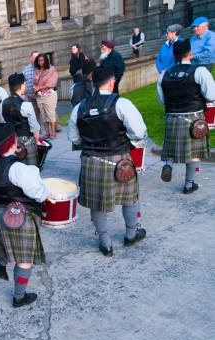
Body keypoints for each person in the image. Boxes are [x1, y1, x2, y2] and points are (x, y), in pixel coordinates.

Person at [67, 66, 148, 256]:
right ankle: (131, 234)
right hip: (119, 159)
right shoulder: (122, 103)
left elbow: (74, 138)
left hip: (91, 162)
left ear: (93, 84)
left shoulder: (80, 108)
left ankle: (105, 242)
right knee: (131, 198)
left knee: (97, 203)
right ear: (112, 82)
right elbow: (138, 131)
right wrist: (131, 141)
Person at [0, 123, 52, 307]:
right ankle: (19, 297)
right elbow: (37, 191)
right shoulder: (18, 169)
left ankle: (1, 263)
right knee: (25, 259)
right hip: (17, 216)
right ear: (12, 143)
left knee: (9, 240)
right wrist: (47, 194)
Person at [157, 39, 215, 194]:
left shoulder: (164, 75)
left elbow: (162, 100)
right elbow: (211, 95)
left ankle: (168, 164)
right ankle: (189, 184)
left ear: (174, 55)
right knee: (194, 154)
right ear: (190, 53)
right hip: (194, 118)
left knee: (171, 148)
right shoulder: (200, 71)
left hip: (172, 118)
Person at [0, 73, 41, 165]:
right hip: (26, 142)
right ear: (22, 86)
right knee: (31, 172)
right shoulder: (26, 105)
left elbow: (4, 123)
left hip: (10, 142)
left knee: (14, 171)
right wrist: (37, 142)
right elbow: (35, 129)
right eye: (25, 84)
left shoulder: (2, 104)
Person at [33, 54, 59, 140]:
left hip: (50, 95)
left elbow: (52, 83)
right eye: (39, 60)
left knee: (51, 114)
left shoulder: (51, 69)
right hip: (39, 96)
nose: (41, 62)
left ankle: (53, 133)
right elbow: (34, 83)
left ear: (46, 60)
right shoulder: (36, 71)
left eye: (42, 60)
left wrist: (39, 87)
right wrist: (35, 88)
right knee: (43, 115)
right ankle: (47, 133)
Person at [22, 51, 42, 128]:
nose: (36, 59)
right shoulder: (26, 69)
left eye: (37, 57)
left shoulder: (42, 67)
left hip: (42, 94)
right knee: (35, 113)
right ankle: (38, 129)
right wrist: (23, 93)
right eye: (34, 57)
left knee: (47, 111)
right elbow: (22, 81)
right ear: (31, 58)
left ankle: (56, 127)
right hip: (31, 95)